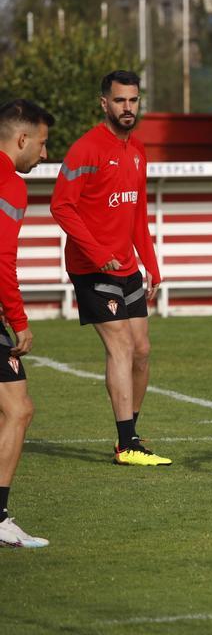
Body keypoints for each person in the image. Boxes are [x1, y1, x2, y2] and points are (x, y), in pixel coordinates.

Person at [50, 71, 168, 466]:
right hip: (91, 267)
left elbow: (136, 213)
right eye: (120, 100)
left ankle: (130, 433)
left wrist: (150, 263)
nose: (128, 107)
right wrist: (99, 253)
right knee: (119, 345)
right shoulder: (86, 149)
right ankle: (126, 444)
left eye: (133, 100)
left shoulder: (138, 150)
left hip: (128, 267)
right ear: (104, 103)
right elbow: (61, 206)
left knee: (142, 351)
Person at [0, 100, 53, 547]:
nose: (44, 153)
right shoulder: (10, 185)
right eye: (42, 143)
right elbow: (2, 258)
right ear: (22, 140)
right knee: (18, 410)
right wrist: (19, 320)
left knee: (18, 407)